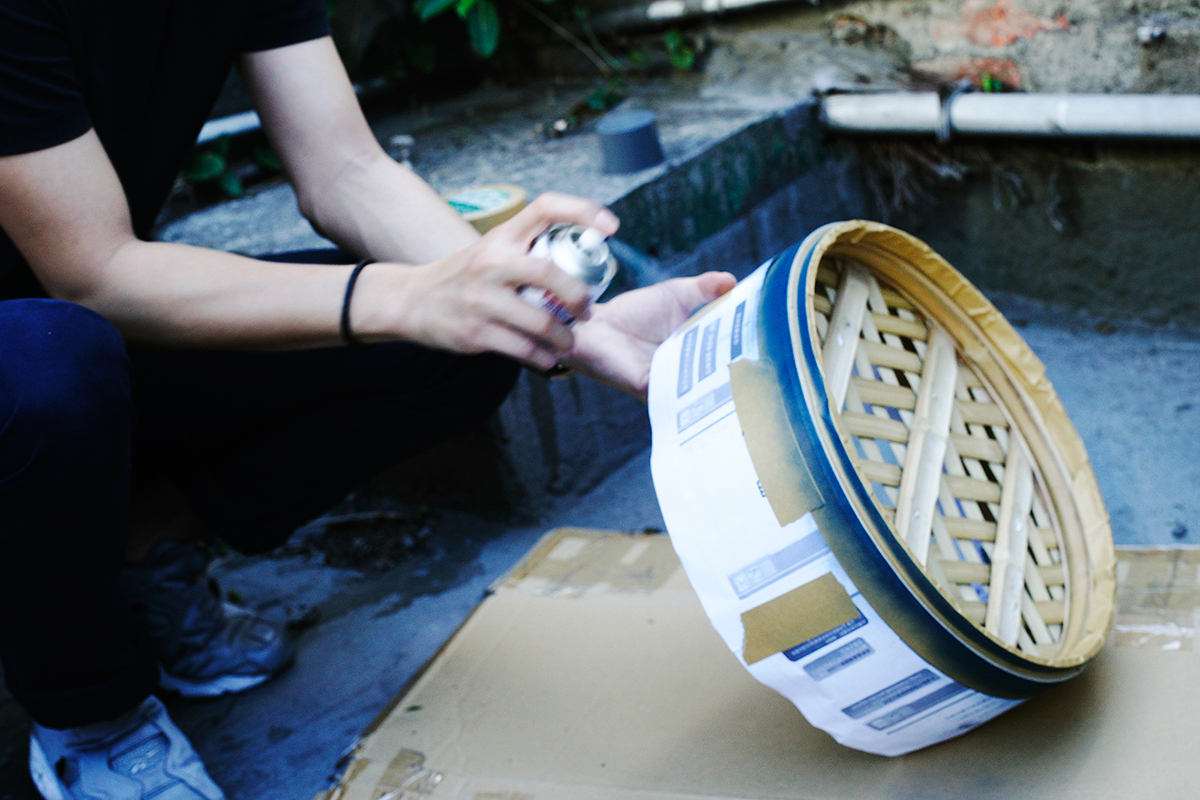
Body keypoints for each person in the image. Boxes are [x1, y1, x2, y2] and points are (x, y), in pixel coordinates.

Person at [0, 0, 736, 798]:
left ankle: (135, 551)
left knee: (459, 342)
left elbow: (346, 169)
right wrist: (408, 296)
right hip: (40, 355)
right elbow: (93, 271)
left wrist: (562, 327)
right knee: (49, 363)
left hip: (85, 345)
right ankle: (94, 716)